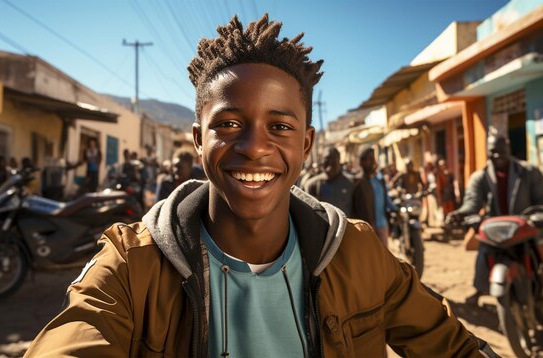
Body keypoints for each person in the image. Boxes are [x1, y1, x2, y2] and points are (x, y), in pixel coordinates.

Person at [26, 14, 494, 357]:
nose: (254, 147)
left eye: (281, 127)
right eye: (229, 123)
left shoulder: (358, 253)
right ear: (197, 140)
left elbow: (453, 347)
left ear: (307, 143)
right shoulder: (131, 266)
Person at [447, 135, 543, 305]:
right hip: (495, 233)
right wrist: (460, 214)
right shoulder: (480, 177)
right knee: (483, 253)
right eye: (492, 152)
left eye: (501, 151)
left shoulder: (529, 172)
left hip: (525, 230)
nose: (497, 156)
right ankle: (480, 288)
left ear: (509, 150)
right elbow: (472, 203)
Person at [352, 147, 398, 248]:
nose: (373, 162)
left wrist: (396, 209)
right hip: (366, 229)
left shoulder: (380, 181)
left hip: (382, 225)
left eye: (373, 159)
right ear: (362, 162)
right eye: (370, 159)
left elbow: (386, 200)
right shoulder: (357, 182)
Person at [304, 146, 354, 217]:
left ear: (339, 161)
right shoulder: (312, 185)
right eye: (327, 159)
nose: (330, 163)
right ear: (322, 161)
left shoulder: (350, 183)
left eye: (333, 160)